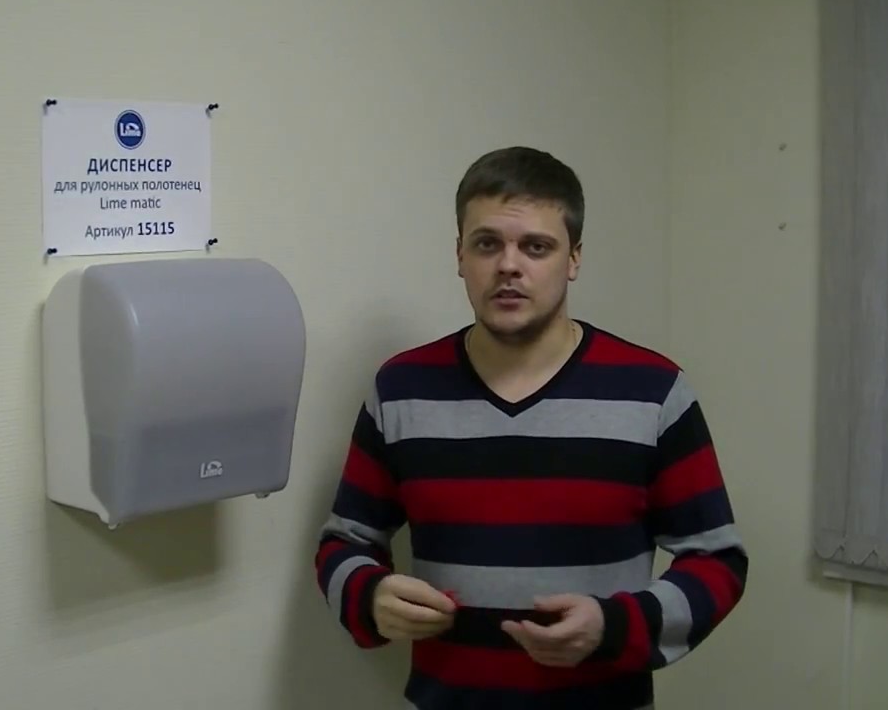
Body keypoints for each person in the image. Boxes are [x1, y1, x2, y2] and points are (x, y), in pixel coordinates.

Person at [314, 146, 747, 709]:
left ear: (574, 259)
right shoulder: (401, 389)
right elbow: (344, 543)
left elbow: (717, 561)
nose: (508, 266)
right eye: (487, 244)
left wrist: (616, 626)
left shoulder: (653, 390)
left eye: (536, 247)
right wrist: (369, 596)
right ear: (460, 255)